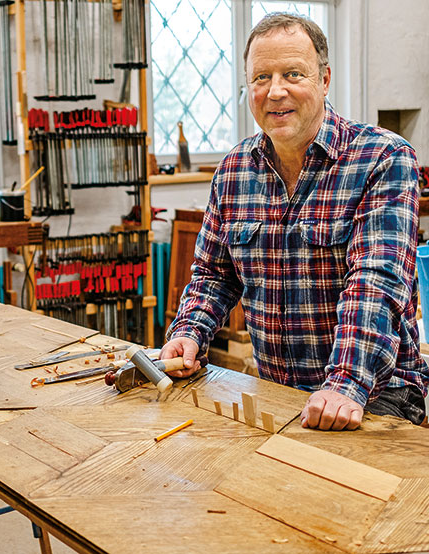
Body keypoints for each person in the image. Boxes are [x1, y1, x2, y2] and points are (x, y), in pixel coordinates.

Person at [162, 12, 428, 432]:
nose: (275, 91)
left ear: (323, 80)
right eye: (261, 77)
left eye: (292, 74)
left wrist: (345, 382)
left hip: (377, 393)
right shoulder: (233, 170)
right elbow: (215, 274)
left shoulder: (383, 157)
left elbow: (375, 282)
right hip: (278, 390)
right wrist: (189, 332)